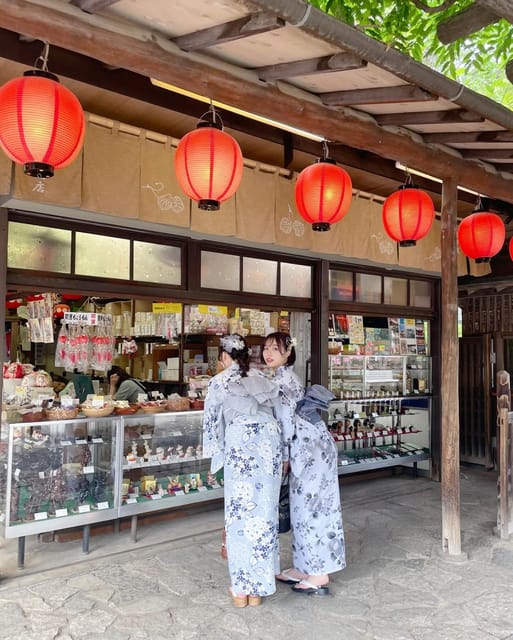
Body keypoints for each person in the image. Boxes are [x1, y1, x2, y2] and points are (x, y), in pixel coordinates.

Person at [202, 334, 286, 608]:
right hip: (269, 444)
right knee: (264, 514)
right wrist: (285, 453)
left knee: (239, 516)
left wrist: (216, 461)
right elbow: (281, 415)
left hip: (240, 443)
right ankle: (258, 590)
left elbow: (212, 424)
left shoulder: (220, 382)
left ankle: (241, 590)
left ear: (225, 357)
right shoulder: (264, 379)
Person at [278, 384, 346, 596]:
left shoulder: (305, 421)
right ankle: (303, 567)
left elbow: (301, 451)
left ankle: (319, 572)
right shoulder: (312, 419)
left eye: (275, 347)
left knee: (315, 519)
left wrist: (286, 459)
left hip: (312, 474)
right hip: (311, 473)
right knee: (303, 519)